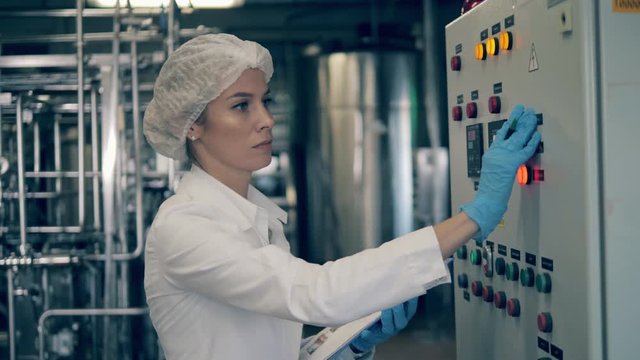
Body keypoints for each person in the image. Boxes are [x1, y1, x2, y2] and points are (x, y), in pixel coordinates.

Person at [142, 34, 541, 360]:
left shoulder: (255, 220)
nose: (266, 120)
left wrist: (346, 346)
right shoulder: (186, 227)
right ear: (192, 126)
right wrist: (473, 217)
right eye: (242, 106)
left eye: (266, 101)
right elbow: (316, 293)